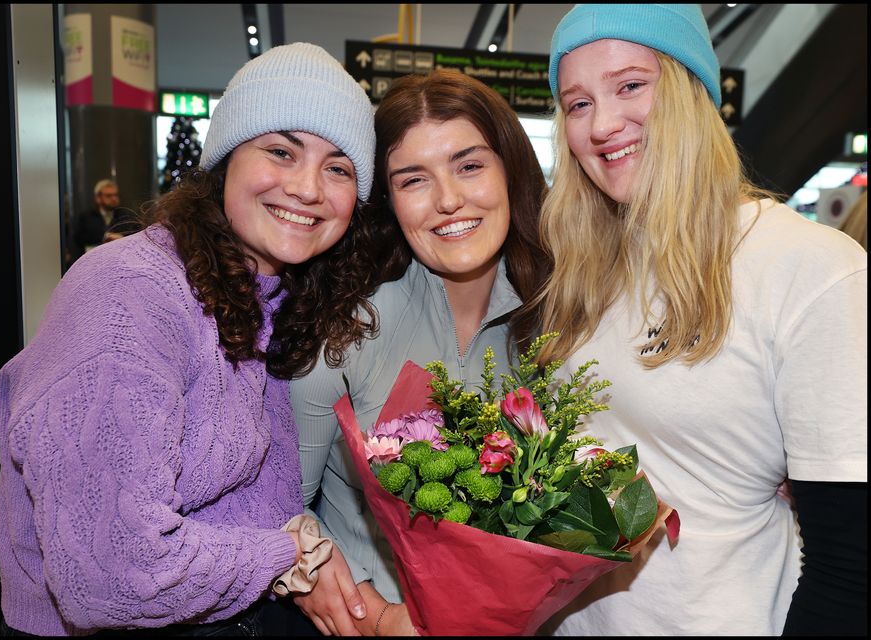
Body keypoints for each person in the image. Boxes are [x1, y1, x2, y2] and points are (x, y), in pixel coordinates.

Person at [0, 42, 382, 636]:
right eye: (281, 151)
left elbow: (252, 491)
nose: (308, 188)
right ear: (223, 162)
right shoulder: (129, 293)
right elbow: (112, 576)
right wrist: (288, 557)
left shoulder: (268, 293)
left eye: (338, 168)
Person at [536, 4, 867, 636]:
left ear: (692, 94)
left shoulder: (810, 268)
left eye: (631, 85)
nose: (603, 123)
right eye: (577, 104)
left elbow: (851, 569)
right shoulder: (584, 270)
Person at [289, 68, 550, 635]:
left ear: (511, 170)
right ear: (387, 200)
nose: (449, 201)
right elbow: (278, 508)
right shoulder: (345, 329)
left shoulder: (557, 322)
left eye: (470, 165)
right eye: (413, 180)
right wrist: (377, 615)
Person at [67, 179, 139, 266]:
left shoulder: (126, 216)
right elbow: (78, 239)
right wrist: (105, 236)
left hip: (120, 263)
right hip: (92, 263)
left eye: (115, 195)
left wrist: (122, 237)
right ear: (98, 198)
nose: (114, 198)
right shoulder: (86, 217)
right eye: (109, 196)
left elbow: (136, 235)